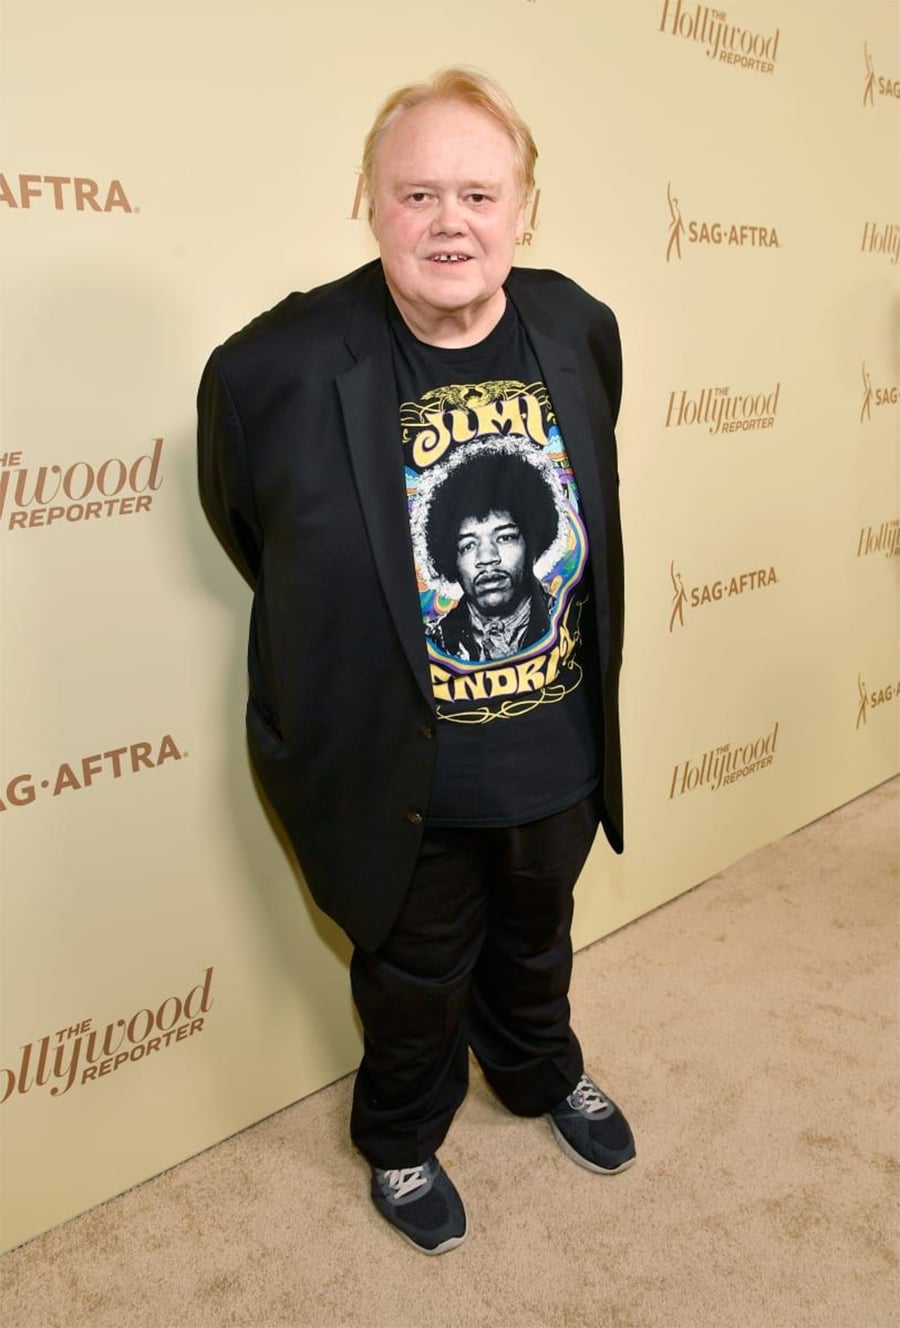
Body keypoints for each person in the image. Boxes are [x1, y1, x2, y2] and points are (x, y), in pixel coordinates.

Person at [197, 68, 633, 1256]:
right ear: (369, 202)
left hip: (556, 748)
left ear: (525, 208)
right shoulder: (271, 368)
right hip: (399, 770)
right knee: (411, 975)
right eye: (418, 193)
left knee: (539, 937)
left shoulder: (577, 327)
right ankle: (399, 1132)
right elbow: (258, 537)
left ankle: (540, 1069)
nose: (451, 223)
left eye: (480, 194)